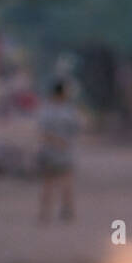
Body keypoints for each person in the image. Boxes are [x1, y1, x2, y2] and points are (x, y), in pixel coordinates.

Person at [37, 79, 81, 222]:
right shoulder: (69, 111)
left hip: (50, 151)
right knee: (65, 181)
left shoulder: (46, 110)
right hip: (64, 151)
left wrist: (55, 141)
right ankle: (66, 211)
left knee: (49, 183)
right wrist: (62, 142)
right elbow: (76, 129)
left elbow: (42, 132)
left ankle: (46, 213)